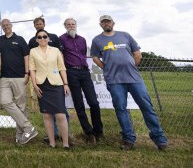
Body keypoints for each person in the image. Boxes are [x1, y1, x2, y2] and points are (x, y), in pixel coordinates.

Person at [91, 15, 168, 150]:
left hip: (134, 78)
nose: (106, 24)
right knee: (121, 109)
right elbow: (95, 57)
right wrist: (106, 67)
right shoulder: (97, 40)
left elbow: (137, 54)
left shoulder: (125, 35)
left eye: (108, 21)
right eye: (103, 22)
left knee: (147, 107)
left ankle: (160, 140)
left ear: (113, 23)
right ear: (100, 25)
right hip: (114, 80)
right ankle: (128, 139)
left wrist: (132, 66)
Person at [59, 17, 103, 144]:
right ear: (65, 26)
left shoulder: (82, 39)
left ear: (76, 25)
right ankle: (89, 133)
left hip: (84, 72)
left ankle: (98, 131)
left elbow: (83, 54)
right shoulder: (61, 39)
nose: (71, 26)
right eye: (69, 24)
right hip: (71, 72)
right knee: (79, 105)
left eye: (73, 24)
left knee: (94, 102)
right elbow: (61, 56)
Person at [27, 16, 69, 142]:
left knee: (61, 114)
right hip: (42, 84)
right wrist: (34, 84)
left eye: (44, 37)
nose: (42, 39)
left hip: (56, 83)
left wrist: (65, 83)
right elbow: (32, 68)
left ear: (48, 38)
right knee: (47, 114)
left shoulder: (55, 47)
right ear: (36, 39)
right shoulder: (33, 50)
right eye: (39, 37)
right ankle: (52, 140)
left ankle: (66, 140)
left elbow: (62, 67)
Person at [0, 18, 38, 144]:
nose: (6, 27)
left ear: (11, 25)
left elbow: (27, 57)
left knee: (21, 106)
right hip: (4, 77)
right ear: (2, 27)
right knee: (5, 101)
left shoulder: (19, 39)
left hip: (20, 76)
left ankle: (21, 135)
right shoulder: (0, 40)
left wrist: (27, 73)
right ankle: (28, 128)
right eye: (3, 25)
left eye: (7, 25)